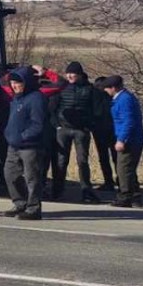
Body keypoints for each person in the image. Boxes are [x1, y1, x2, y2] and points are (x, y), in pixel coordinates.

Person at [51, 62, 101, 204]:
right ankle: (57, 191)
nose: (70, 76)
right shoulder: (61, 88)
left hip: (81, 131)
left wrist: (89, 126)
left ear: (79, 74)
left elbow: (96, 110)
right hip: (63, 129)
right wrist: (57, 126)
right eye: (68, 73)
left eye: (73, 73)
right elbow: (52, 109)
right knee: (61, 161)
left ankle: (86, 191)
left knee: (83, 161)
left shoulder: (90, 89)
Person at [4, 68, 50, 220]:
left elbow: (38, 124)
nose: (15, 85)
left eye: (18, 82)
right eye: (12, 82)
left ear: (27, 82)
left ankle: (33, 208)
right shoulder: (16, 98)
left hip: (30, 146)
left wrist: (23, 137)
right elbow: (1, 81)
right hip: (13, 145)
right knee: (10, 174)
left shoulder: (36, 98)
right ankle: (20, 203)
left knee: (32, 178)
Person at [102, 75, 143, 208]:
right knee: (128, 169)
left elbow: (128, 121)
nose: (106, 91)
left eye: (107, 88)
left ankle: (125, 196)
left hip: (130, 140)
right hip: (131, 138)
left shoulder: (124, 100)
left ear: (113, 88)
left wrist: (121, 140)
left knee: (123, 169)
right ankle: (135, 197)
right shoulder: (123, 98)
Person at [92, 76, 118, 193]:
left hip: (101, 130)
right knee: (116, 157)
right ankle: (120, 180)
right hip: (112, 129)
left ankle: (109, 181)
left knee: (104, 157)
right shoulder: (113, 98)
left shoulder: (96, 98)